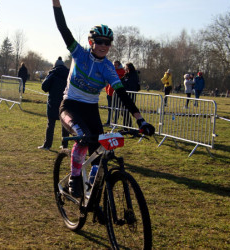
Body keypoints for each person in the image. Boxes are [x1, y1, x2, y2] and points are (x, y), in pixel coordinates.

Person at [52, 0, 155, 198]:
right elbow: (62, 28)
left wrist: (140, 120)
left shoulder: (108, 67)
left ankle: (91, 188)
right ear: (91, 42)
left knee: (100, 150)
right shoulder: (79, 53)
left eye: (107, 42)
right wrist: (56, 3)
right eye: (99, 41)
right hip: (70, 106)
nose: (103, 46)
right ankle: (74, 178)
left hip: (90, 109)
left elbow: (123, 95)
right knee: (82, 138)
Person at [38, 57, 70, 150]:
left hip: (53, 102)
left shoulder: (53, 73)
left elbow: (44, 87)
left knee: (50, 124)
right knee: (65, 124)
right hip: (65, 102)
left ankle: (47, 145)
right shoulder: (69, 74)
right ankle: (65, 145)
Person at [104, 60, 125, 126]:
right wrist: (107, 89)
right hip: (109, 93)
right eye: (114, 65)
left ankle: (115, 122)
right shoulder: (111, 70)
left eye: (116, 65)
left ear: (119, 65)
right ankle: (108, 121)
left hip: (116, 93)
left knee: (116, 108)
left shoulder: (122, 72)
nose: (114, 66)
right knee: (110, 108)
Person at [121, 62, 140, 128]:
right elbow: (121, 81)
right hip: (125, 94)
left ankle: (128, 126)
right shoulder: (126, 75)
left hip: (130, 95)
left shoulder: (133, 75)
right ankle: (126, 126)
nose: (124, 69)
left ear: (128, 68)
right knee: (123, 111)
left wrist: (124, 85)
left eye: (125, 68)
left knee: (125, 111)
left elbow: (132, 86)